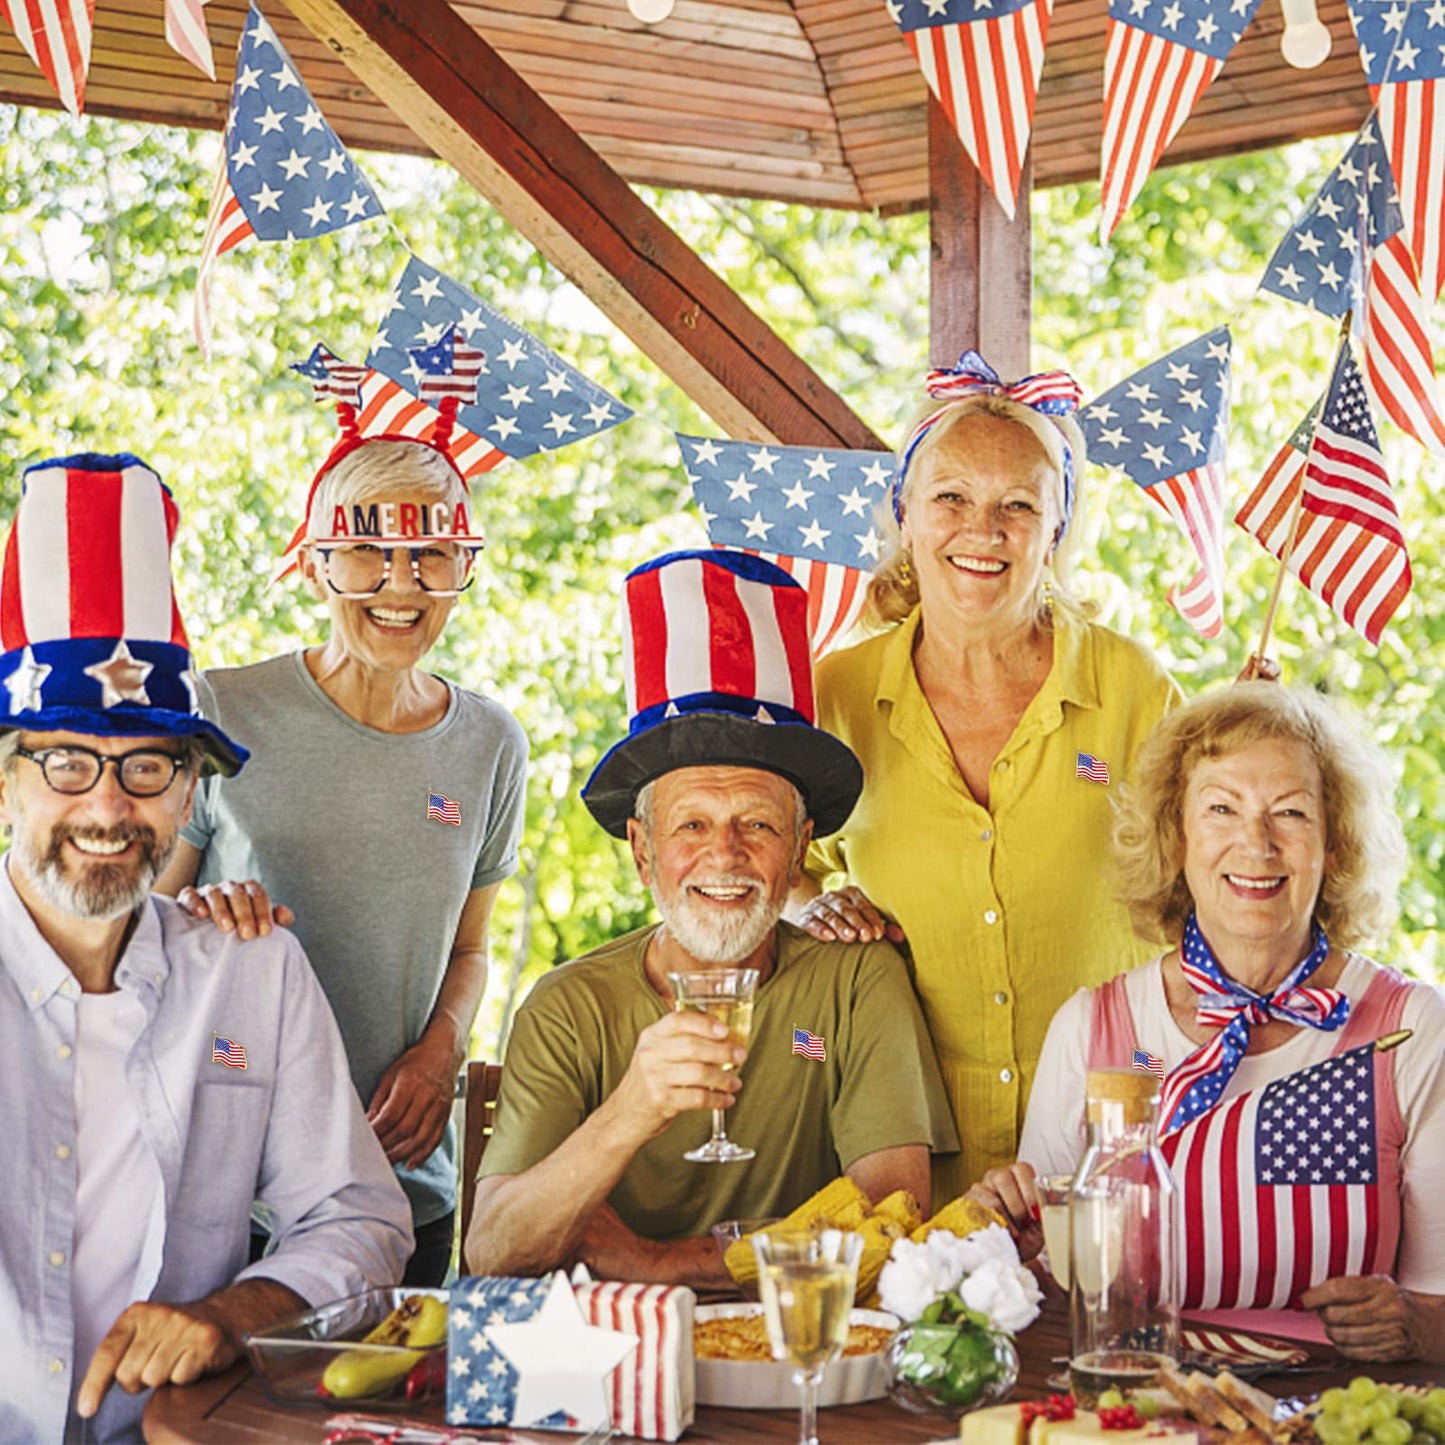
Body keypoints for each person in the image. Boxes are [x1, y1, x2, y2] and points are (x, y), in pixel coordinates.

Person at [0, 452, 412, 1444]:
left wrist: (229, 1315)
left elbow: (362, 1218)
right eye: (65, 761)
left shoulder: (250, 968)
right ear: (5, 781)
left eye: (147, 766)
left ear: (191, 793)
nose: (108, 804)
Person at [466, 550, 958, 1285]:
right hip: (608, 1367)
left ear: (798, 850)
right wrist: (632, 1109)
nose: (722, 855)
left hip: (794, 1354)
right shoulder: (569, 1006)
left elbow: (890, 1209)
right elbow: (495, 1250)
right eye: (690, 825)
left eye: (756, 824)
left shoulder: (855, 980)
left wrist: (653, 1259)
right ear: (641, 849)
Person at [156, 379, 528, 1286]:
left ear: (461, 566)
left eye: (431, 554)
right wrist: (202, 919)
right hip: (223, 1183)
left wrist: (442, 1046)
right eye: (366, 551)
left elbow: (470, 947)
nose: (401, 584)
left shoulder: (490, 743)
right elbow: (136, 930)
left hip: (403, 1180)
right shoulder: (217, 709)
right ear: (319, 562)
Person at [790, 352, 1184, 1202]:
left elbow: (1207, 895)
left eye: (1018, 505)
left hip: (1110, 1151)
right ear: (904, 513)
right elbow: (765, 859)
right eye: (951, 498)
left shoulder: (1134, 688)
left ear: (1055, 530)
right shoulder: (836, 693)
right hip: (904, 1157)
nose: (983, 529)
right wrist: (806, 900)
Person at [972, 683, 1445, 1363]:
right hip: (1130, 1411)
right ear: (1177, 838)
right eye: (1221, 808)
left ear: (1333, 846)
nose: (1255, 842)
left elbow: (1437, 1306)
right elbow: (1047, 1293)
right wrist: (1005, 1235)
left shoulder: (1409, 1029)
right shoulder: (1091, 1027)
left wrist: (1410, 1323)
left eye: (1289, 812)